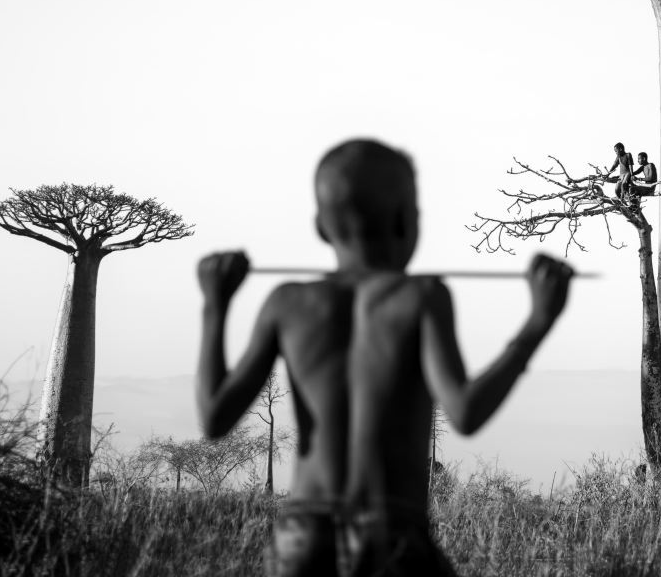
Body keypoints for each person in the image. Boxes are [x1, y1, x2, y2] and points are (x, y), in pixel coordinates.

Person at [195, 138, 572, 577]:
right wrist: (537, 323)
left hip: (302, 535)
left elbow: (214, 417)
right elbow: (465, 413)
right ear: (405, 221)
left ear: (320, 226)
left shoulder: (287, 302)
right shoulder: (421, 297)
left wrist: (215, 305)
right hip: (391, 530)